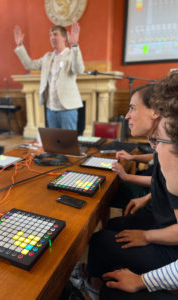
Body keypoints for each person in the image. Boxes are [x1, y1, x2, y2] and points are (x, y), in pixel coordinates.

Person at [71, 81, 178, 300]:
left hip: (171, 247)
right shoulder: (165, 145)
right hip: (165, 227)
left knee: (102, 243)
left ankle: (95, 283)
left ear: (158, 111)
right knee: (115, 226)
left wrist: (147, 240)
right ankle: (99, 278)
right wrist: (148, 196)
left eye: (132, 107)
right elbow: (166, 184)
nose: (127, 115)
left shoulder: (171, 148)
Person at [13, 23, 84, 130]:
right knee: (54, 143)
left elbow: (79, 70)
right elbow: (29, 65)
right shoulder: (47, 57)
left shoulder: (71, 54)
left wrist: (74, 46)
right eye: (50, 35)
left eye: (55, 34)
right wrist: (20, 47)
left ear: (65, 38)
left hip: (67, 109)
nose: (52, 38)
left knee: (68, 143)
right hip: (51, 109)